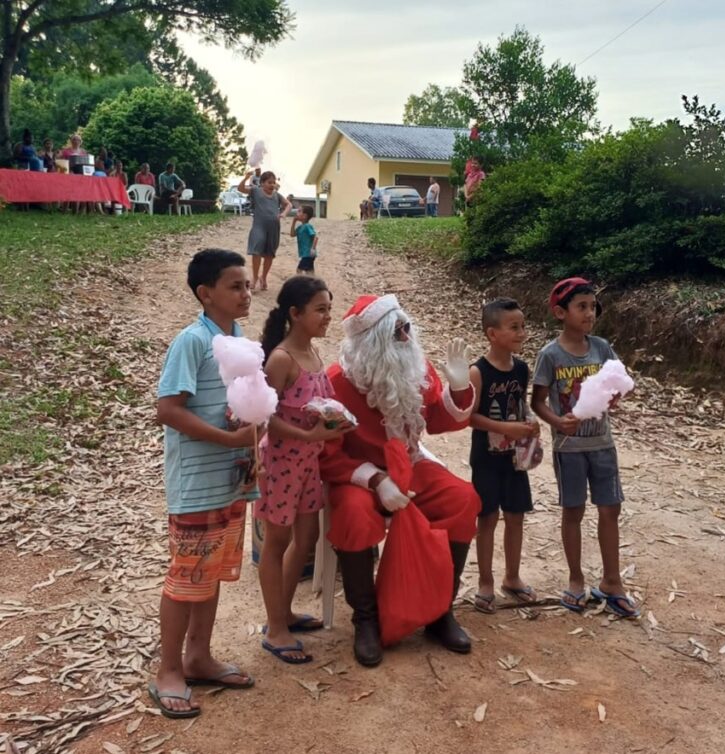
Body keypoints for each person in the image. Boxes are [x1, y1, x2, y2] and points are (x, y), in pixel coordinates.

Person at [320, 294, 480, 667]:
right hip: (358, 475)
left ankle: (441, 611)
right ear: (370, 341)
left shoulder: (417, 367)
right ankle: (366, 619)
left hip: (409, 463)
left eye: (408, 327)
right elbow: (328, 458)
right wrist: (375, 481)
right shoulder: (336, 382)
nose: (408, 338)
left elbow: (441, 422)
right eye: (397, 331)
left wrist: (459, 389)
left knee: (463, 500)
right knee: (356, 517)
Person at [151, 249, 258, 718]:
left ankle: (199, 655)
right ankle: (168, 669)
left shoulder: (239, 341)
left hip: (232, 480)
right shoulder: (191, 342)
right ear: (205, 293)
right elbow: (168, 410)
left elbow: (245, 405)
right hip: (196, 482)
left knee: (210, 571)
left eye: (247, 285)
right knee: (185, 576)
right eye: (235, 286)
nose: (245, 293)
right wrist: (227, 436)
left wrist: (254, 431)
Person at [531, 277, 639, 618]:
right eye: (582, 307)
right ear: (560, 312)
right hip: (570, 448)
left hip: (602, 444)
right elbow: (537, 402)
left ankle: (612, 582)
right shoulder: (550, 355)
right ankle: (576, 580)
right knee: (573, 512)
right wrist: (557, 421)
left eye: (593, 307)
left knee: (610, 509)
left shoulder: (602, 348)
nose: (589, 313)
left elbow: (619, 385)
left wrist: (617, 395)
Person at [255, 276, 350, 664]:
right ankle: (275, 628)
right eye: (320, 309)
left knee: (306, 536)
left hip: (308, 466)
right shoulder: (281, 359)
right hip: (281, 464)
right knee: (276, 543)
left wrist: (333, 426)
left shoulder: (311, 355)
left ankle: (285, 613)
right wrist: (310, 436)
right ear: (295, 314)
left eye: (329, 308)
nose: (328, 316)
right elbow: (264, 418)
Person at [469, 299, 540, 614]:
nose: (522, 333)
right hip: (486, 458)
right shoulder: (477, 371)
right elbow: (469, 417)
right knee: (487, 518)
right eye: (514, 327)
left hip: (515, 460)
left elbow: (520, 405)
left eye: (523, 326)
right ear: (492, 333)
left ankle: (512, 577)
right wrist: (504, 427)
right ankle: (485, 581)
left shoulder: (522, 369)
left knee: (515, 517)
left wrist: (529, 425)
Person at [237, 168, 291, 291]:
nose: (272, 185)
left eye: (273, 182)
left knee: (269, 254)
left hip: (274, 228)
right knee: (256, 251)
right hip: (259, 226)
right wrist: (246, 178)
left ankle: (264, 277)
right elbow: (240, 189)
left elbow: (288, 204)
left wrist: (283, 214)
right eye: (269, 182)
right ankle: (255, 278)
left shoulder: (277, 195)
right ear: (262, 183)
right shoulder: (256, 191)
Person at [290, 205, 318, 275]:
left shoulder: (307, 226)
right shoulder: (300, 227)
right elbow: (292, 234)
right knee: (309, 271)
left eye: (299, 211)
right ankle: (312, 283)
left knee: (299, 270)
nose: (297, 213)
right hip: (305, 254)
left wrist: (313, 249)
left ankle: (301, 283)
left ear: (305, 216)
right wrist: (294, 222)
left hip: (308, 254)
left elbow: (315, 237)